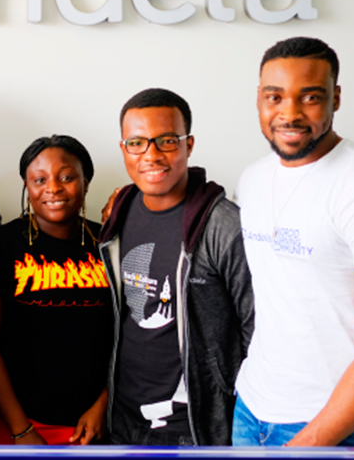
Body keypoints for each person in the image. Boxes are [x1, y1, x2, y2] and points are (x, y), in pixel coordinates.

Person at [232, 37, 354, 454]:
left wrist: (307, 445)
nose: (290, 113)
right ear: (258, 99)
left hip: (335, 426)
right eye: (275, 97)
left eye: (310, 97)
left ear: (336, 98)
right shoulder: (251, 179)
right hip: (252, 409)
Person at [98, 89, 253, 446]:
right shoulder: (120, 212)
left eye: (166, 141)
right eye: (137, 142)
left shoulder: (223, 226)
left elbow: (256, 330)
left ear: (188, 144)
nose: (151, 155)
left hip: (192, 426)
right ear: (124, 149)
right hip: (122, 419)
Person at [0, 135, 112, 445]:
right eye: (39, 179)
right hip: (12, 421)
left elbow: (129, 339)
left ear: (86, 182)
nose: (53, 188)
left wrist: (104, 403)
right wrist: (21, 429)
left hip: (90, 423)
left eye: (67, 177)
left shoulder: (109, 246)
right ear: (26, 186)